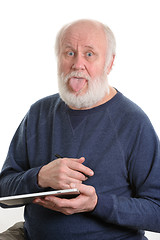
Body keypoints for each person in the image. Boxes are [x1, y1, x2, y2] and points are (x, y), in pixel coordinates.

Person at [0, 19, 160, 240]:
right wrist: (39, 177)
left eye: (90, 54)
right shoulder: (37, 113)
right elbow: (3, 190)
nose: (77, 64)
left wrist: (97, 203)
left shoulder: (134, 122)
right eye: (69, 53)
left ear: (109, 63)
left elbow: (157, 211)